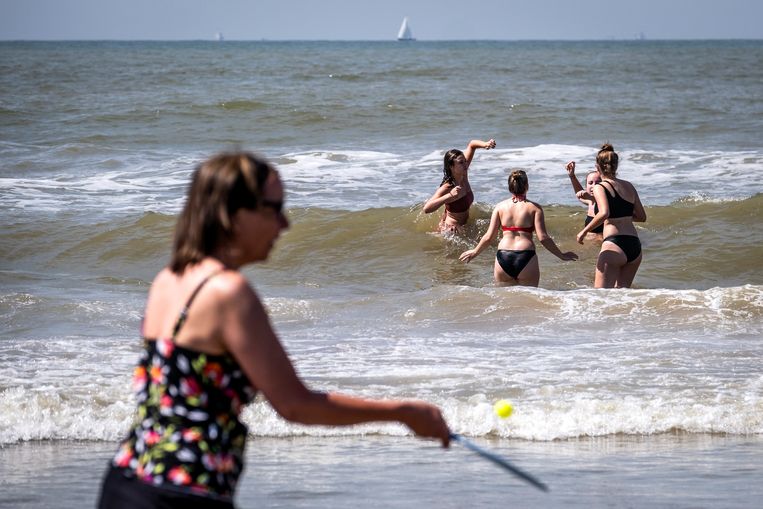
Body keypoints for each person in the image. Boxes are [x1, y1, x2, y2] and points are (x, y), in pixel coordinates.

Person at [97, 151, 450, 509]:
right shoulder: (228, 292)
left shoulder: (171, 278)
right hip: (182, 492)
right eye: (274, 208)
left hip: (127, 480)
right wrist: (403, 412)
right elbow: (295, 405)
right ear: (233, 213)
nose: (284, 224)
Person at [459, 169, 578, 286]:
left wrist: (475, 252)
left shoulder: (500, 207)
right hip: (526, 256)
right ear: (527, 185)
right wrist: (561, 255)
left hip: (503, 256)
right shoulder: (534, 208)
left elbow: (489, 237)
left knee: (504, 301)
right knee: (529, 300)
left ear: (510, 186)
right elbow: (543, 238)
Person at [576, 143, 646, 288]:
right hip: (635, 246)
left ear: (597, 167)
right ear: (616, 166)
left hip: (614, 244)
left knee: (600, 296)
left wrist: (584, 231)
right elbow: (641, 217)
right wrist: (622, 215)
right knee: (621, 296)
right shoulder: (629, 186)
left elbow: (604, 213)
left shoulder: (599, 187)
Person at [423, 138, 496, 232]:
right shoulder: (447, 187)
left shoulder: (463, 174)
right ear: (451, 167)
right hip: (451, 230)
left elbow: (472, 145)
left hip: (464, 226)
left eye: (465, 161)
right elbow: (427, 209)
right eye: (461, 162)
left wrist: (486, 144)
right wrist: (449, 196)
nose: (466, 164)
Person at [565, 161, 603, 241]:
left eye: (598, 183)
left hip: (600, 244)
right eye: (590, 183)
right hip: (590, 243)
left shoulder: (605, 204)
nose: (594, 186)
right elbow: (579, 195)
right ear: (586, 186)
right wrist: (572, 176)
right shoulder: (590, 202)